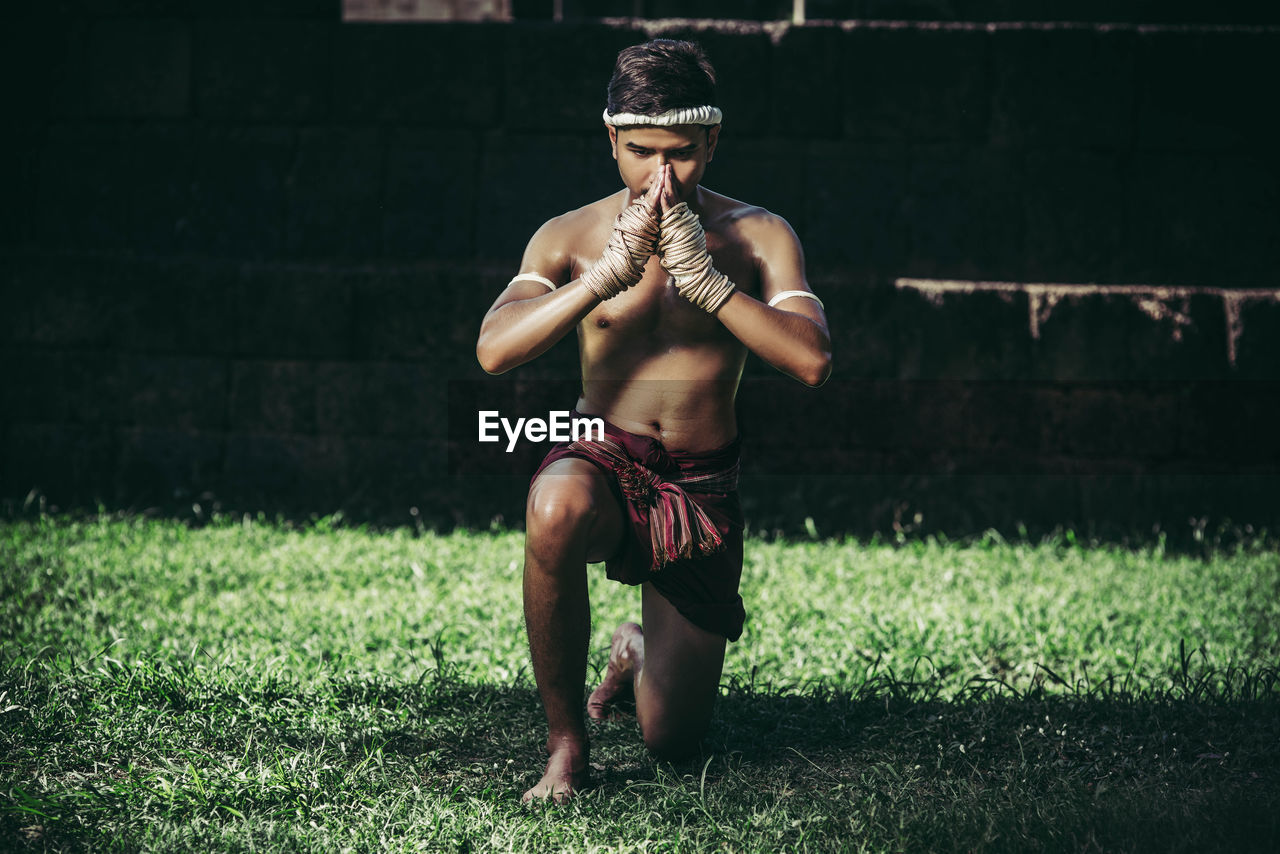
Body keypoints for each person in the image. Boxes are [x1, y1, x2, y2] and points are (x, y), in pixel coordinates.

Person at [475, 38, 831, 803]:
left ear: (712, 141)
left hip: (700, 488)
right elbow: (493, 351)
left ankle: (635, 653)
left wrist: (708, 283)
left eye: (682, 154)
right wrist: (602, 279)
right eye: (640, 152)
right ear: (610, 140)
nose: (661, 177)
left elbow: (811, 362)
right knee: (553, 506)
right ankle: (567, 749)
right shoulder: (568, 236)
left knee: (673, 739)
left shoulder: (760, 235)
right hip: (603, 460)